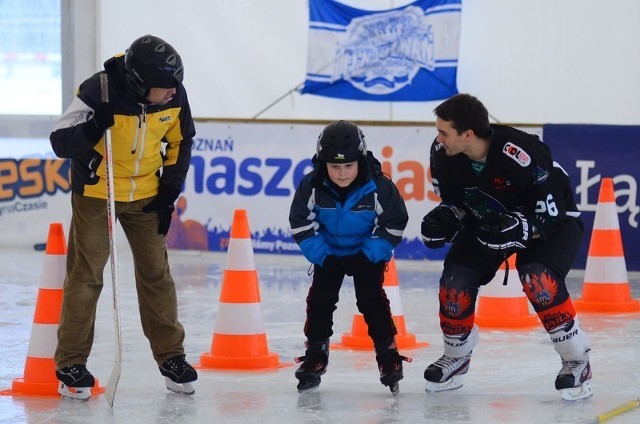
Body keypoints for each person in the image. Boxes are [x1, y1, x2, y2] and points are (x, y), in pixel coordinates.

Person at [50, 35, 197, 400]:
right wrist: (92, 127)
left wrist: (168, 194)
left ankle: (171, 357)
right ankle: (71, 363)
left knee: (156, 274)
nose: (171, 94)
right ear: (138, 82)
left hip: (147, 194)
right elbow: (58, 142)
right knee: (87, 275)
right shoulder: (97, 91)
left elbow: (181, 141)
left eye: (173, 88)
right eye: (163, 89)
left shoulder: (174, 94)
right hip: (99, 192)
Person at [420, 93, 592, 401]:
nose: (439, 137)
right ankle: (456, 356)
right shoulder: (441, 153)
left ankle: (576, 359)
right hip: (487, 222)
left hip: (554, 223)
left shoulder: (523, 153)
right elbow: (456, 202)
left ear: (467, 134)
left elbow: (551, 216)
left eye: (444, 131)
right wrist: (447, 219)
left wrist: (523, 228)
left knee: (537, 278)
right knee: (455, 280)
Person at [289, 120, 410, 394]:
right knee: (320, 299)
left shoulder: (379, 186)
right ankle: (316, 355)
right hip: (328, 253)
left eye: (348, 166)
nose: (342, 173)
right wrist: (323, 256)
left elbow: (393, 224)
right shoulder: (312, 185)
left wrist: (368, 255)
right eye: (334, 167)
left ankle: (388, 355)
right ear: (323, 164)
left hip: (366, 252)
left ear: (361, 160)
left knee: (370, 299)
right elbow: (301, 224)